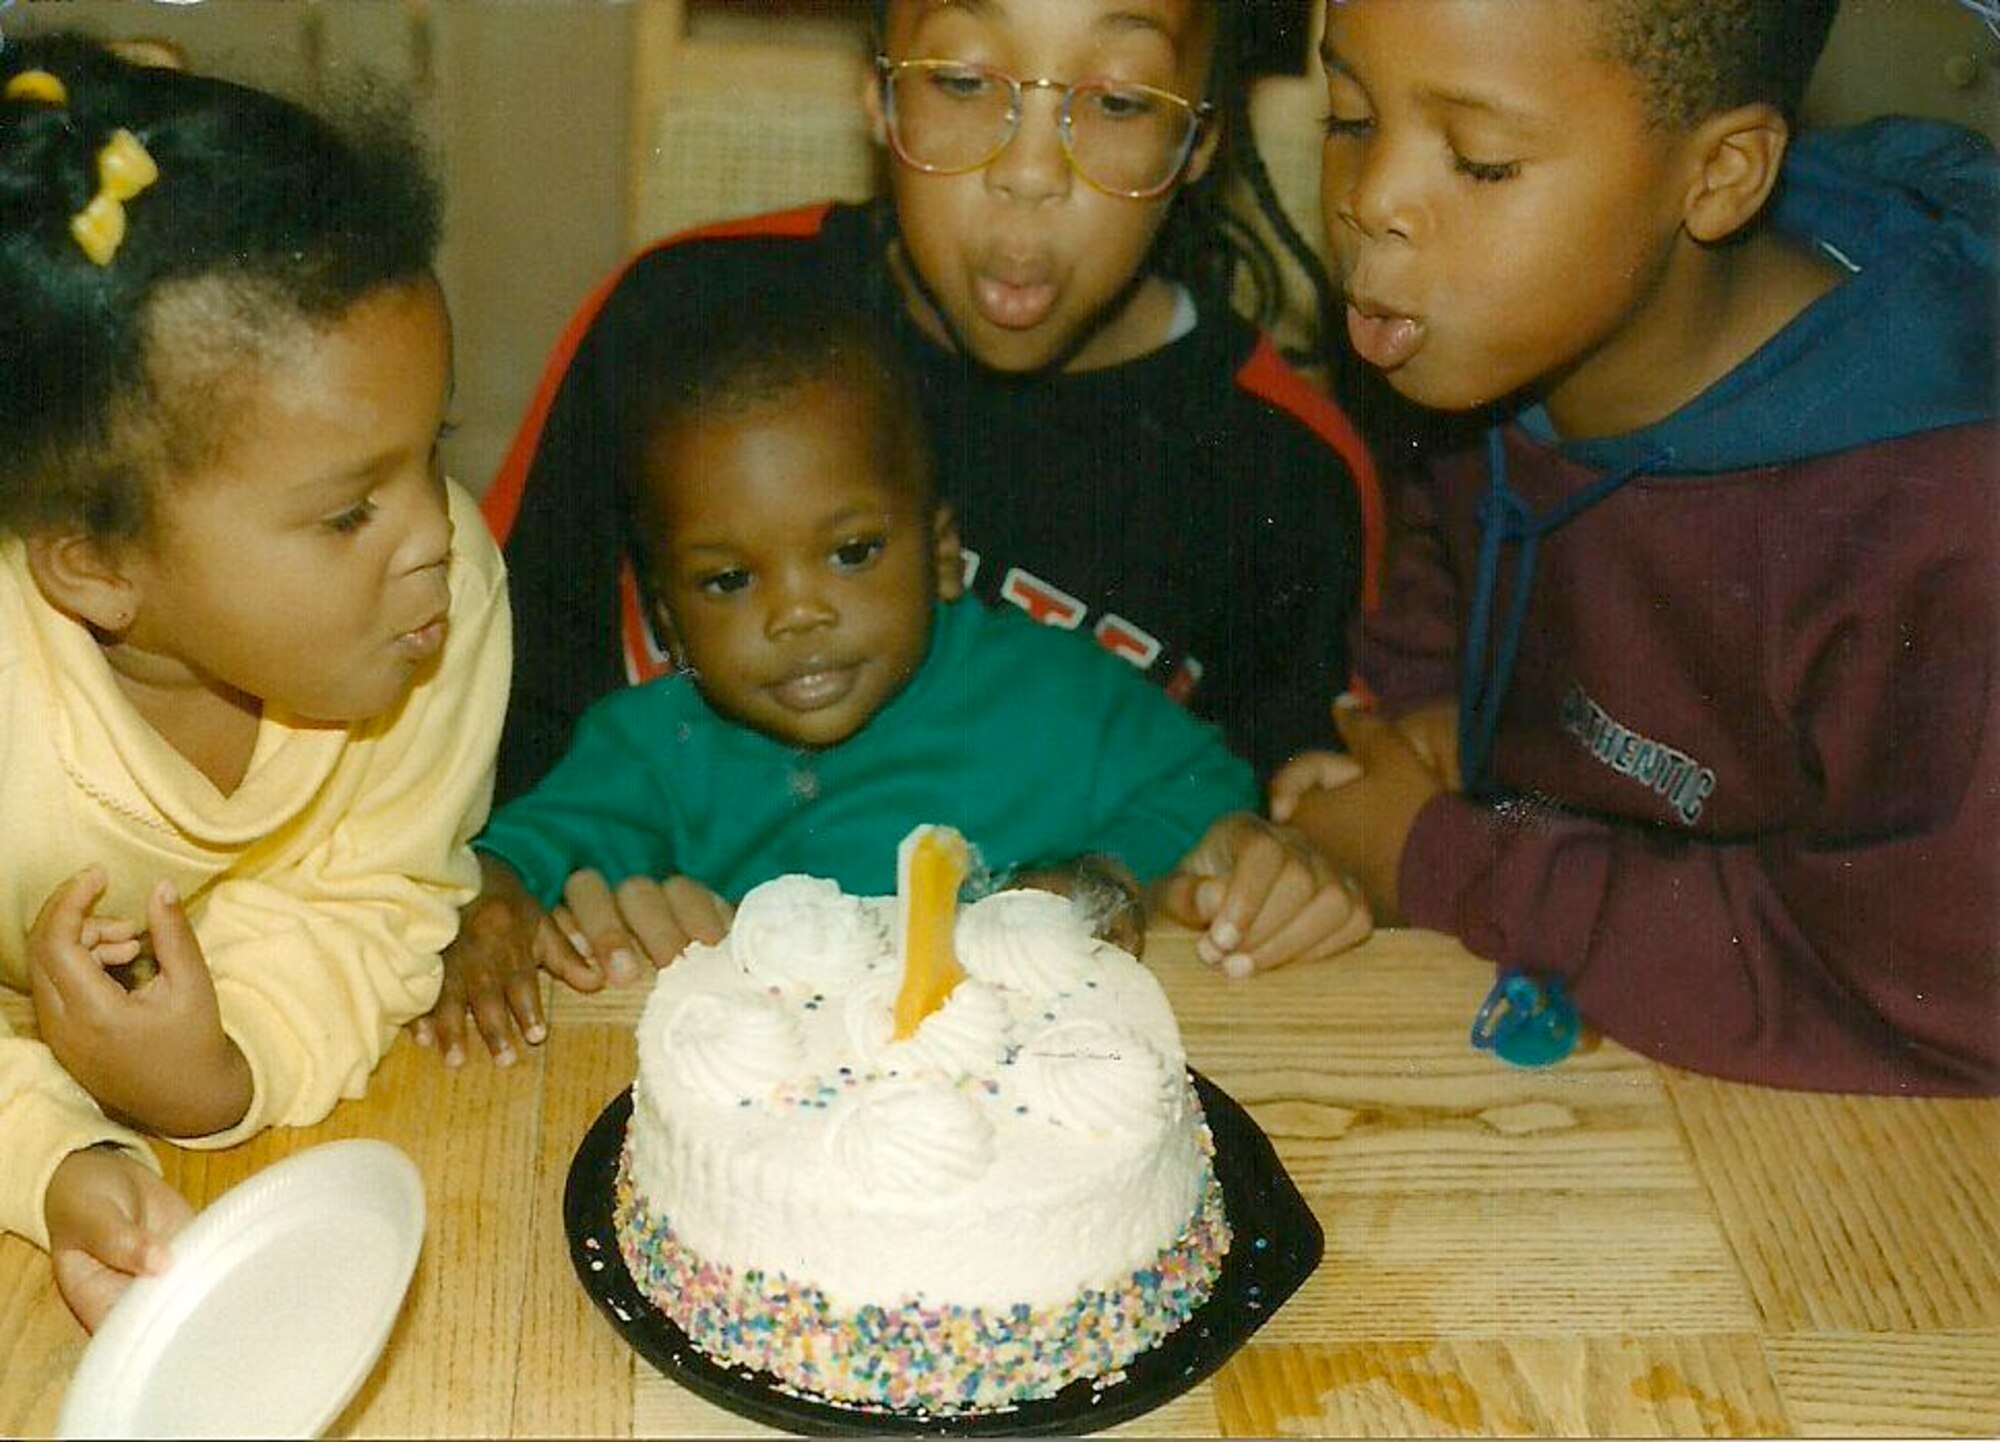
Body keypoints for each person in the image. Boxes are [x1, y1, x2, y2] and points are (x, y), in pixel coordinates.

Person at [1275, 0, 1997, 1094]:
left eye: (1478, 163)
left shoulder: (1938, 523)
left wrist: (1438, 858)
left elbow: (1923, 995)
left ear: (1716, 178)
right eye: (1347, 115)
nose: (1369, 201)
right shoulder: (1489, 328)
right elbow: (1443, 563)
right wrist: (1431, 716)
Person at [479, 0, 1386, 814]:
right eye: (960, 81)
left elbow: (1275, 851)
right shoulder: (678, 322)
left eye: (1117, 102)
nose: (1030, 174)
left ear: (1199, 141)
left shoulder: (1288, 475)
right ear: (879, 92)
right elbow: (483, 725)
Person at [425, 298, 1371, 1066]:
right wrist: (494, 905)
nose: (798, 613)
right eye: (729, 579)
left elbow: (1209, 792)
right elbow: (513, 861)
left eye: (852, 552)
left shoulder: (1051, 693)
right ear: (669, 621)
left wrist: (1110, 874)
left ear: (943, 554)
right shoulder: (652, 749)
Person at [0, 33, 512, 1328]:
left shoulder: (432, 616)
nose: (434, 535)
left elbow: (374, 895)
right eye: (346, 513)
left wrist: (224, 1074)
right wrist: (57, 1153)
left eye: (433, 448)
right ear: (95, 566)